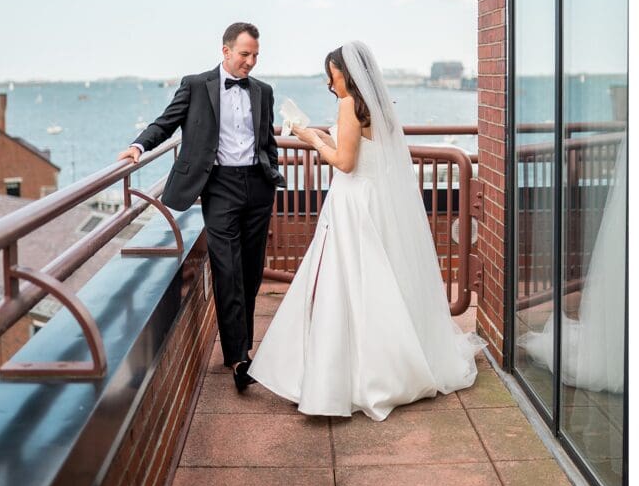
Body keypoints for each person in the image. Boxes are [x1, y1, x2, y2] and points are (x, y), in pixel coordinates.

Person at [248, 40, 485, 421]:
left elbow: (344, 162)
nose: (330, 83)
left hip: (352, 203)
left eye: (333, 75)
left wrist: (308, 139)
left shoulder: (347, 105)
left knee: (344, 284)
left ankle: (346, 374)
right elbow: (359, 150)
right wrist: (320, 136)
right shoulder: (375, 106)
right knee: (374, 283)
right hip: (373, 199)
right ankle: (382, 365)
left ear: (346, 74)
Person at [117, 23, 285, 392]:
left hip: (257, 187)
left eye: (256, 55)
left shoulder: (264, 91)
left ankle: (237, 348)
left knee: (251, 271)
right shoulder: (196, 85)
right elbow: (167, 122)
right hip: (219, 187)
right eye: (244, 54)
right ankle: (241, 356)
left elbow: (266, 138)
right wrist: (139, 146)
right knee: (227, 268)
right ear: (225, 51)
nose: (251, 62)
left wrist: (271, 172)